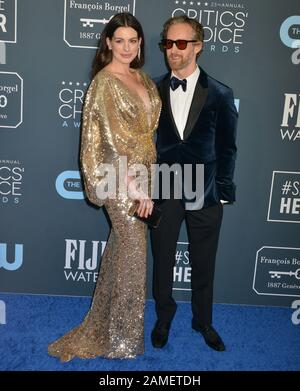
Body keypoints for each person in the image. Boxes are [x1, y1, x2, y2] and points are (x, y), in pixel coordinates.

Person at [48, 13, 161, 362]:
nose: (126, 47)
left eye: (133, 40)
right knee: (133, 255)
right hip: (120, 178)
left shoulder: (141, 78)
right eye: (120, 40)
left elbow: (146, 132)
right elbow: (111, 145)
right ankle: (123, 342)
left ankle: (107, 325)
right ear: (108, 43)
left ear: (140, 43)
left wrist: (149, 181)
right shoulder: (105, 82)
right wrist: (137, 190)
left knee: (121, 253)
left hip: (144, 172)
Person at [151, 15, 238, 352]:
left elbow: (228, 147)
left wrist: (224, 191)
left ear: (198, 46)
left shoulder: (220, 93)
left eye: (181, 43)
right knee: (162, 261)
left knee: (204, 263)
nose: (173, 49)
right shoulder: (152, 90)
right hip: (164, 189)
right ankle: (163, 317)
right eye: (168, 43)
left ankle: (203, 321)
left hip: (205, 192)